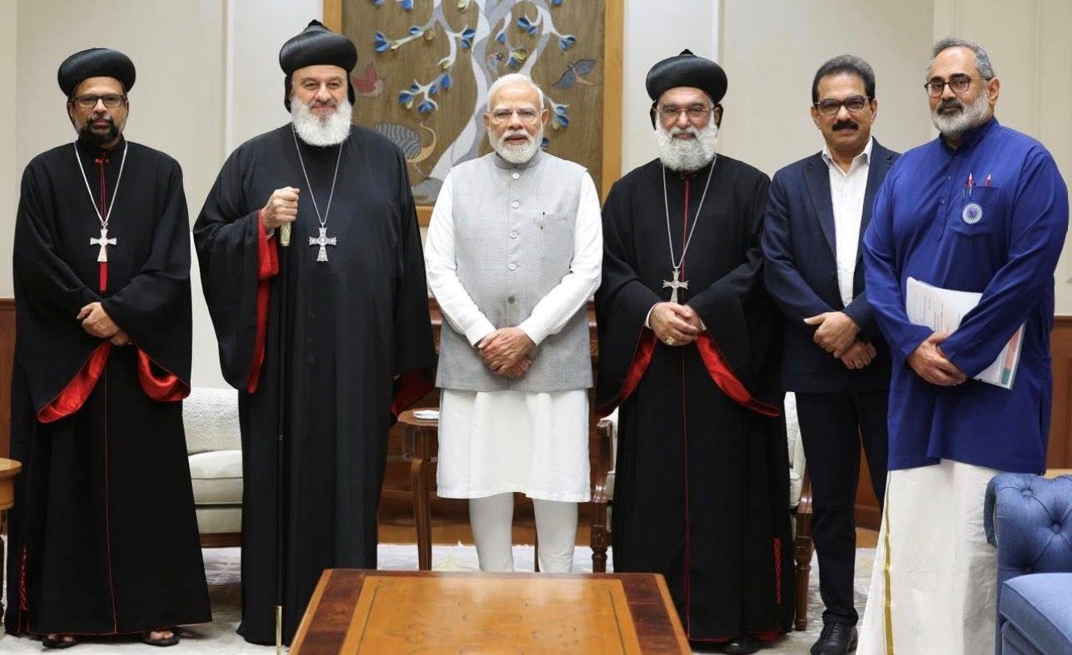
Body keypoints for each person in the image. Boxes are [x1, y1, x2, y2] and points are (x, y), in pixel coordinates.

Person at [193, 20, 436, 645]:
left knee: (353, 487)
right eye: (310, 84)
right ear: (289, 94)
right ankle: (272, 613)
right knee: (280, 482)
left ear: (349, 93)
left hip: (360, 357)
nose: (323, 95)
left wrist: (405, 357)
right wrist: (258, 224)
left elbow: (408, 258)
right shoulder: (253, 157)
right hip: (281, 364)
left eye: (334, 84)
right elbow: (209, 237)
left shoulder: (383, 158)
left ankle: (350, 611)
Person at [857, 38, 1068, 655]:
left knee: (979, 547)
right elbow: (877, 263)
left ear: (991, 89)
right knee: (916, 543)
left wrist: (961, 351)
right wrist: (912, 345)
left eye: (960, 81)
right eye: (935, 84)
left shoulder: (1030, 164)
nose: (946, 93)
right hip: (916, 388)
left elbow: (1030, 268)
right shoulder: (906, 170)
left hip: (995, 396)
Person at [6, 47, 210, 649]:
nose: (101, 108)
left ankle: (154, 609)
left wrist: (121, 316)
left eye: (112, 99)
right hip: (66, 355)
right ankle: (61, 612)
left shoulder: (160, 171)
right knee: (65, 486)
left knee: (145, 486)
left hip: (134, 354)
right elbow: (34, 261)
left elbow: (173, 262)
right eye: (89, 99)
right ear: (71, 108)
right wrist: (88, 315)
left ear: (127, 107)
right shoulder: (43, 173)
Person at [595, 49, 794, 654]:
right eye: (671, 111)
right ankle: (649, 615)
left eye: (696, 111)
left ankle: (731, 620)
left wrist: (703, 308)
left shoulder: (752, 187)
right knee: (653, 498)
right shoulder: (628, 194)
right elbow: (606, 271)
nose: (684, 121)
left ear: (717, 115)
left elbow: (766, 266)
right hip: (654, 372)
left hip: (725, 373)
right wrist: (651, 311)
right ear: (655, 117)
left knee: (727, 498)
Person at [424, 73, 602, 573]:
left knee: (556, 480)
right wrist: (486, 336)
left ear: (545, 119)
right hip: (475, 361)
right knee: (488, 476)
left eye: (526, 113)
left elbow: (587, 270)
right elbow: (438, 268)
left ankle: (559, 592)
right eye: (503, 114)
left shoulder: (577, 180)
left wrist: (527, 334)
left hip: (553, 358)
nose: (515, 123)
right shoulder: (459, 182)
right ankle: (494, 588)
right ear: (487, 123)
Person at [761, 55, 897, 655]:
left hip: (894, 361)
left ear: (873, 106)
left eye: (854, 102)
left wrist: (859, 322)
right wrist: (835, 333)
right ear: (814, 115)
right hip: (819, 368)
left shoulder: (908, 173)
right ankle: (839, 618)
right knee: (835, 500)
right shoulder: (789, 182)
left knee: (902, 494)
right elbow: (777, 265)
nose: (843, 113)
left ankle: (899, 614)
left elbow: (915, 260)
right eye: (830, 105)